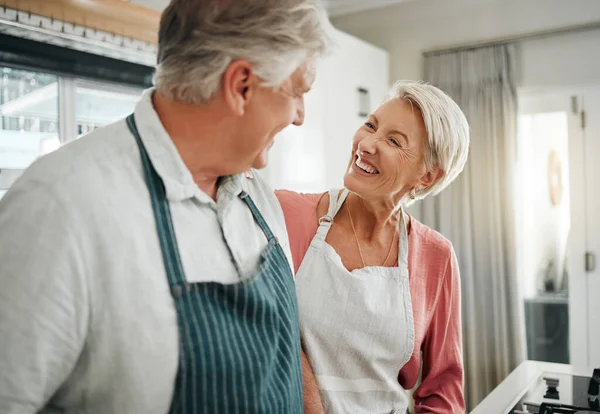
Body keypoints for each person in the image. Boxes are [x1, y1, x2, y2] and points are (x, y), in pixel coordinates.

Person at [0, 0, 331, 412]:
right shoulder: (58, 207)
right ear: (241, 85)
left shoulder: (259, 197)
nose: (300, 116)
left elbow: (285, 345)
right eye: (297, 92)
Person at [276, 80, 470, 414]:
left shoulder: (436, 256)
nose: (366, 144)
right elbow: (260, 331)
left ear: (426, 177)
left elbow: (443, 391)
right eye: (370, 125)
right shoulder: (286, 214)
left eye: (394, 141)